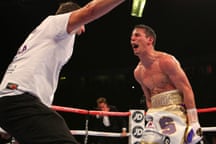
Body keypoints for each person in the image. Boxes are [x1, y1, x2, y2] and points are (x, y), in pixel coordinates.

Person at [0, 0, 126, 143]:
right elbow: (91, 10)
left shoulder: (44, 36)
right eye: (82, 24)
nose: (83, 30)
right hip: (19, 97)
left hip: (15, 99)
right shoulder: (55, 23)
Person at [130, 24, 203, 144]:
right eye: (132, 37)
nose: (132, 39)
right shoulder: (138, 72)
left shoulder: (166, 61)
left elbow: (186, 89)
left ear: (150, 40)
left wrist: (194, 122)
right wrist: (150, 118)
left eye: (137, 35)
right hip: (155, 113)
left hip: (175, 111)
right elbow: (148, 98)